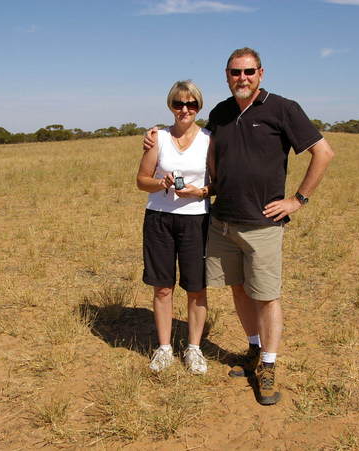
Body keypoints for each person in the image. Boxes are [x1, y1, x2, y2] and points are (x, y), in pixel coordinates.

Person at [144, 48, 334, 405]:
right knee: (239, 291)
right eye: (235, 72)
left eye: (248, 72)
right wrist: (155, 136)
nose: (241, 78)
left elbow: (323, 153)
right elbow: (192, 138)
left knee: (266, 296)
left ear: (261, 73)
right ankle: (252, 350)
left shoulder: (283, 109)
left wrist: (298, 200)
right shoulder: (221, 112)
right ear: (227, 75)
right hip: (223, 221)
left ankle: (268, 365)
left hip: (263, 223)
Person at [136, 80, 212, 375]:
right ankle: (164, 348)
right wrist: (161, 183)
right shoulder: (158, 138)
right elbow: (141, 180)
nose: (185, 109)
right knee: (163, 287)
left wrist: (200, 192)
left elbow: (217, 182)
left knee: (197, 288)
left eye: (191, 104)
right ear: (171, 105)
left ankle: (194, 349)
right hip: (159, 218)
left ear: (199, 106)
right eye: (179, 103)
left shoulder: (209, 138)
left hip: (197, 219)